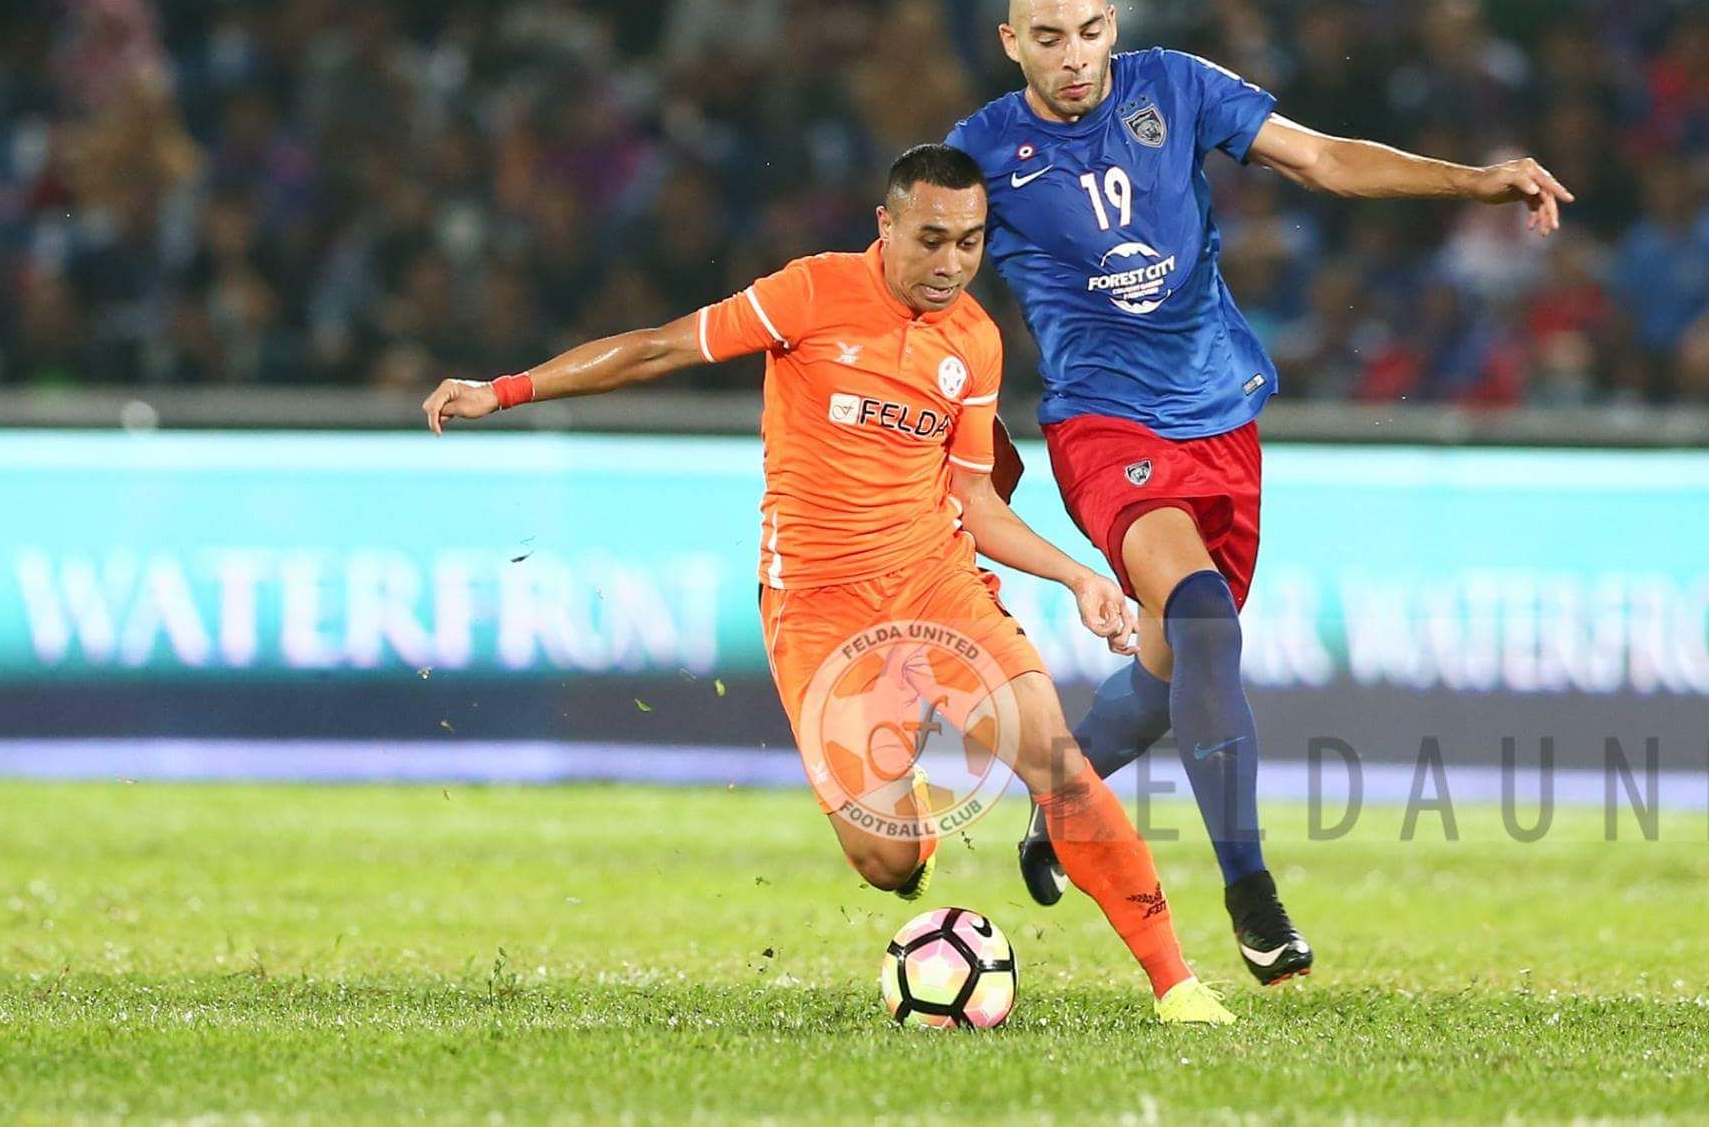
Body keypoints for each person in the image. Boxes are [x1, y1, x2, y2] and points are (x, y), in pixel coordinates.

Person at [420, 143, 1234, 1024]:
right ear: (884, 227)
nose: (951, 264)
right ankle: (905, 786)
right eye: (931, 239)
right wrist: (502, 391)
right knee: (888, 864)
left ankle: (1176, 984)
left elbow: (976, 502)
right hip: (815, 606)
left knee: (1057, 765)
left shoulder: (974, 343)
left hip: (935, 586)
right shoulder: (809, 293)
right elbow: (658, 350)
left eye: (970, 242)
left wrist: (1078, 575)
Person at [946, 0, 1571, 986]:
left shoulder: (1176, 87)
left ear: (1114, 21)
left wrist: (1474, 179)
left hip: (1220, 413)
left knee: (1164, 671)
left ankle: (1061, 804)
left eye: (1088, 31)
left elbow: (1320, 159)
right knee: (1200, 615)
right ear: (1009, 42)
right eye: (1045, 38)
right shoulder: (980, 153)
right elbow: (916, 274)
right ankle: (1250, 895)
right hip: (1103, 425)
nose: (1072, 57)